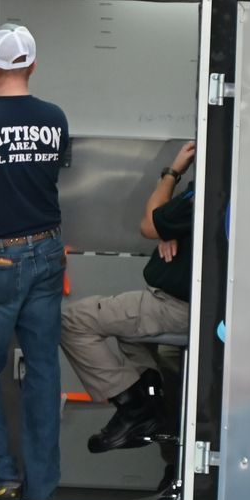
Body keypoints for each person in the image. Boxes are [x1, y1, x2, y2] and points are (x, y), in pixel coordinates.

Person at [0, 23, 69, 500]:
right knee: (43, 370)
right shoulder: (55, 118)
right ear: (33, 64)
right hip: (47, 251)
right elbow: (48, 174)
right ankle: (42, 488)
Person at [61, 141, 196, 458]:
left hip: (176, 307)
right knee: (131, 337)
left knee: (73, 320)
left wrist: (172, 172)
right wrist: (169, 230)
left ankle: (136, 410)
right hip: (184, 307)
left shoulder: (205, 195)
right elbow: (160, 224)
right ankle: (151, 403)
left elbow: (149, 223)